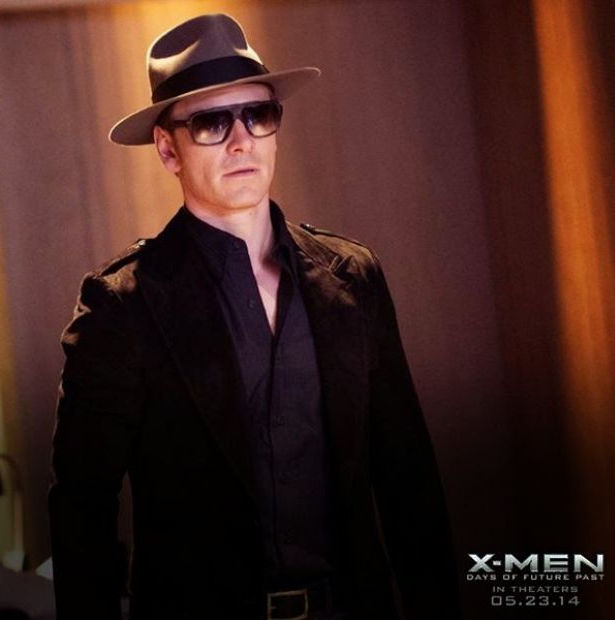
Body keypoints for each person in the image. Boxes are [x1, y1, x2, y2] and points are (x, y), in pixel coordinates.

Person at [48, 13, 459, 620]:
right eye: (211, 122)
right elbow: (83, 509)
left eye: (258, 115)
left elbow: (408, 477)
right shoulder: (121, 307)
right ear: (168, 149)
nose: (241, 141)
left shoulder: (354, 277)